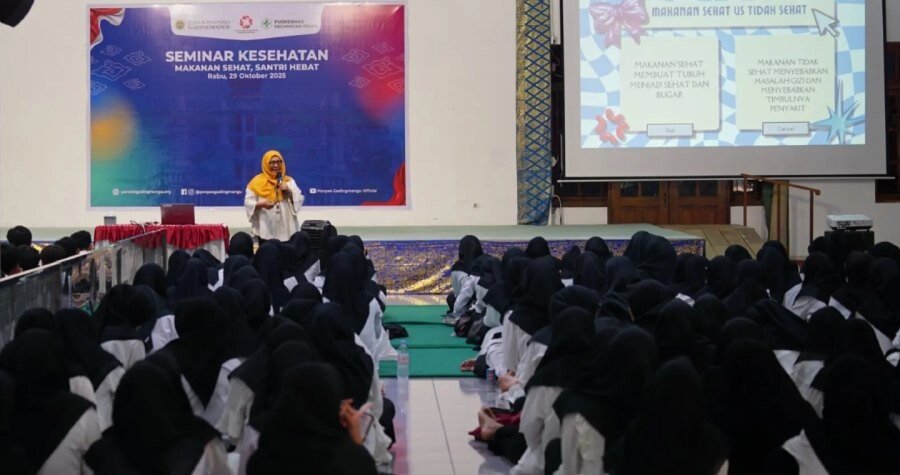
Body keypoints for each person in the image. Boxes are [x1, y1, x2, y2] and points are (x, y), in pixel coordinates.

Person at [244, 150, 304, 242]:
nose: (276, 165)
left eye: (278, 162)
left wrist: (289, 192)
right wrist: (261, 204)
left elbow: (298, 200)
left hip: (287, 230)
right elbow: (248, 202)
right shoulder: (256, 182)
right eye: (272, 162)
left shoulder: (289, 181)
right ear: (266, 164)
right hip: (266, 229)